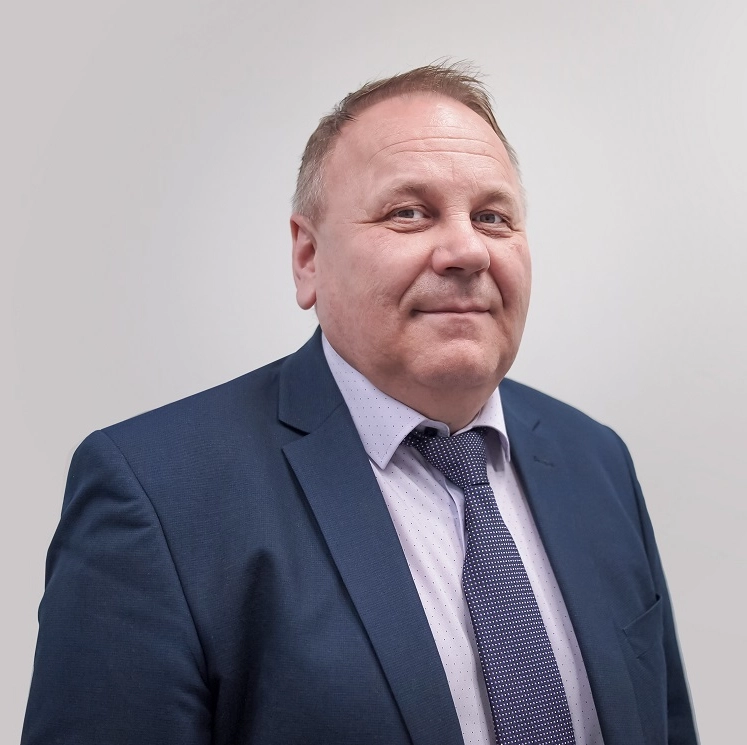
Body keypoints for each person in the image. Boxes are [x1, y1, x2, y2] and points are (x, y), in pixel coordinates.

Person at [22, 63, 697, 745]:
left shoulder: (596, 461)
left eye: (492, 218)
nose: (466, 250)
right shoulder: (158, 497)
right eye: (409, 213)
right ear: (308, 258)